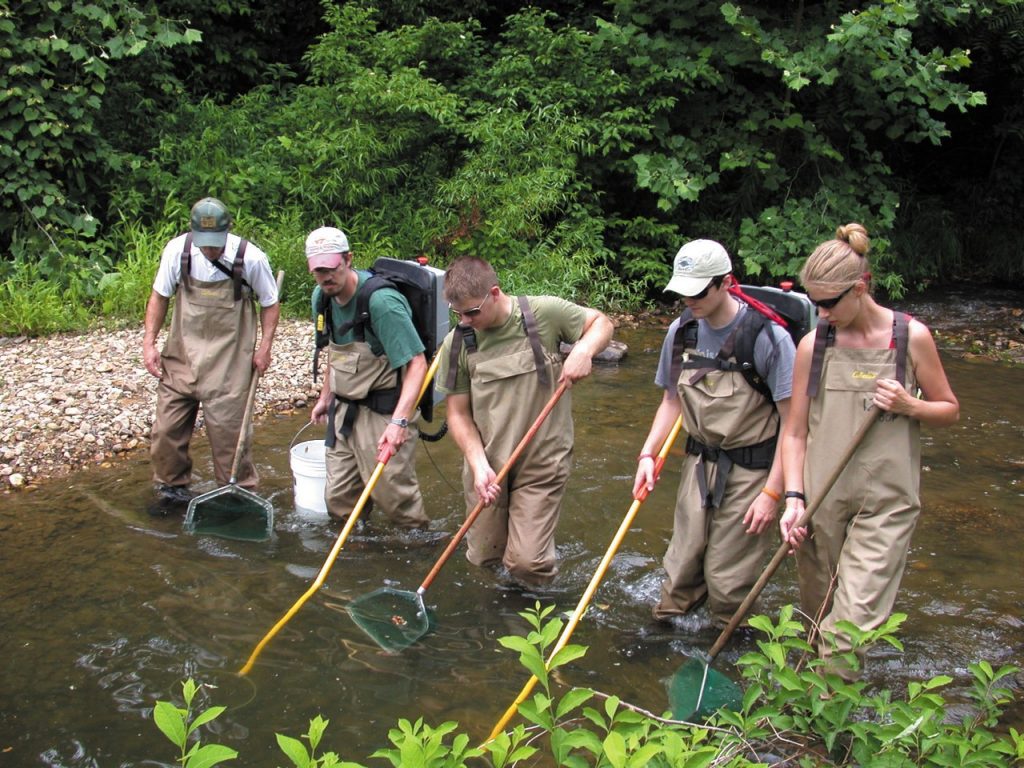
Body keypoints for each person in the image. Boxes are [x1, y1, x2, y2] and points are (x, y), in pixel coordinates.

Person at [779, 222, 959, 677]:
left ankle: (822, 741)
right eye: (813, 302)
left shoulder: (911, 337)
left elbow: (949, 410)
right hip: (821, 506)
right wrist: (793, 498)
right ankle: (806, 724)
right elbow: (795, 432)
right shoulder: (812, 345)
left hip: (884, 508)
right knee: (816, 625)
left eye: (828, 303)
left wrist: (909, 403)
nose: (820, 314)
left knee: (845, 636)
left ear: (860, 289)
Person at [633, 240, 796, 627]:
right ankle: (665, 637)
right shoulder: (681, 332)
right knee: (680, 569)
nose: (689, 300)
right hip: (699, 464)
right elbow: (671, 400)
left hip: (754, 472)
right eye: (682, 291)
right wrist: (647, 455)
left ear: (726, 283)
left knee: (727, 584)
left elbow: (794, 426)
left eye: (698, 291)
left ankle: (733, 645)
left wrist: (773, 495)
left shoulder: (769, 339)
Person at [435, 256, 614, 586]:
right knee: (484, 561)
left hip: (542, 462)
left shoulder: (542, 313)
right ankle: (498, 624)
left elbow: (602, 323)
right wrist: (478, 465)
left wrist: (584, 350)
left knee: (527, 564)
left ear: (495, 292)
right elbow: (457, 415)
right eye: (457, 313)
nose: (465, 320)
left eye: (472, 311)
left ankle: (537, 622)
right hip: (487, 468)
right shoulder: (458, 342)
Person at [143, 197, 280, 504]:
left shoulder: (251, 258)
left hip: (229, 361)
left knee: (229, 438)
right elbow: (159, 296)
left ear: (228, 231)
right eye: (205, 244)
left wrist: (264, 347)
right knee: (166, 433)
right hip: (182, 356)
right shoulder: (177, 251)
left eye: (215, 244)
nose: (210, 250)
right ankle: (172, 491)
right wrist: (149, 342)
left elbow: (270, 302)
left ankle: (237, 495)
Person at [306, 226, 429, 529]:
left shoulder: (381, 303)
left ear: (348, 259)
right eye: (318, 270)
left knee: (397, 503)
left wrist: (399, 423)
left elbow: (417, 363)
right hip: (344, 411)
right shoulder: (320, 299)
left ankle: (420, 552)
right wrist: (326, 396)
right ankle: (358, 563)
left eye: (331, 268)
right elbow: (336, 350)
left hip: (383, 413)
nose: (325, 277)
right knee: (339, 500)